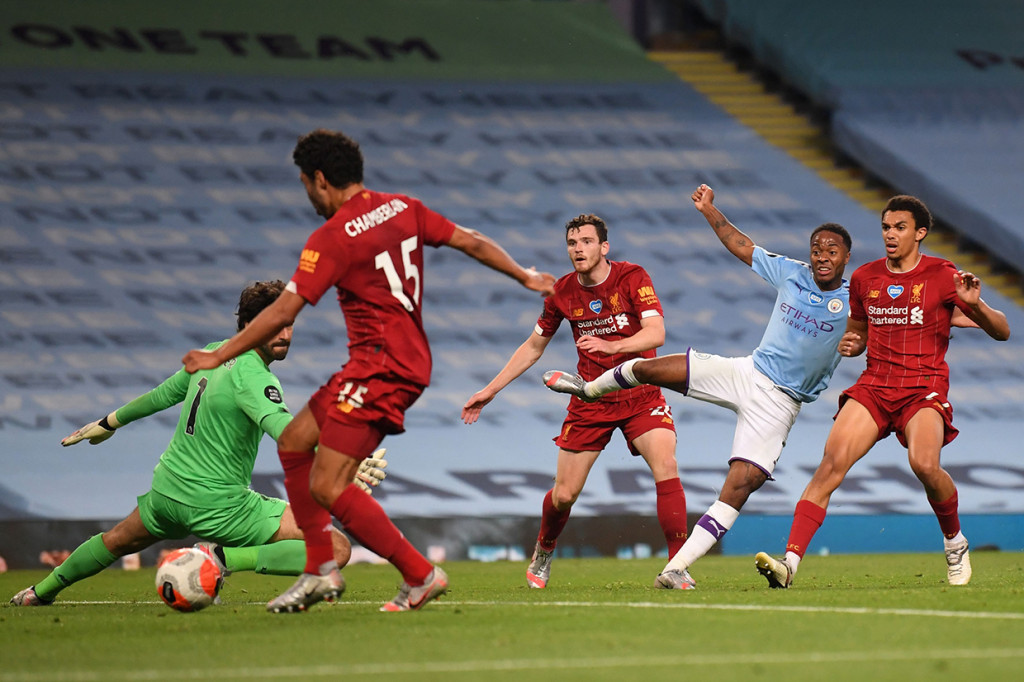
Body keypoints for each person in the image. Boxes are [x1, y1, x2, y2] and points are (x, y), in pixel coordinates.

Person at [182, 128, 556, 613]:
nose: (308, 197)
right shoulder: (404, 208)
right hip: (386, 361)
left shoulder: (332, 237)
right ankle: (320, 570)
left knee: (327, 485)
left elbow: (281, 312)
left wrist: (218, 354)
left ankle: (419, 576)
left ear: (319, 180)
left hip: (383, 367)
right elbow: (472, 241)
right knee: (294, 440)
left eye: (304, 185)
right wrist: (525, 275)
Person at [544, 184, 853, 589]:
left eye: (831, 251)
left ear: (846, 257)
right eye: (817, 249)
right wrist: (710, 210)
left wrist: (858, 342)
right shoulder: (792, 272)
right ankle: (589, 389)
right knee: (651, 367)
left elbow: (871, 330)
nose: (822, 257)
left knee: (740, 486)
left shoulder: (856, 297)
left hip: (781, 403)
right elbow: (741, 244)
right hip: (748, 372)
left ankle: (675, 568)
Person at [10, 280, 388, 607]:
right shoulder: (254, 376)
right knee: (336, 547)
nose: (286, 334)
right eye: (277, 326)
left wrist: (109, 422)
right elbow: (287, 432)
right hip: (219, 506)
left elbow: (162, 395)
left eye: (289, 324)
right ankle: (218, 558)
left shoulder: (215, 352)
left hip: (168, 494)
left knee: (116, 540)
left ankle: (38, 593)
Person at [755, 194, 1010, 588]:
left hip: (923, 388)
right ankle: (789, 563)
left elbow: (1002, 331)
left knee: (924, 464)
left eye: (900, 228)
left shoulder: (943, 275)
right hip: (876, 386)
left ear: (920, 233)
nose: (891, 235)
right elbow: (858, 331)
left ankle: (954, 542)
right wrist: (854, 343)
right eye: (886, 227)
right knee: (829, 467)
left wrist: (976, 306)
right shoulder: (865, 278)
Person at [462, 213, 687, 588]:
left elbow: (656, 333)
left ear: (604, 247)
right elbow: (534, 347)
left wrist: (613, 346)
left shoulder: (633, 277)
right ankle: (545, 549)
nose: (578, 249)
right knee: (564, 495)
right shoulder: (562, 292)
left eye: (586, 241)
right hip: (590, 398)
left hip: (639, 391)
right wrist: (490, 389)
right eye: (572, 243)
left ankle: (677, 566)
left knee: (666, 463)